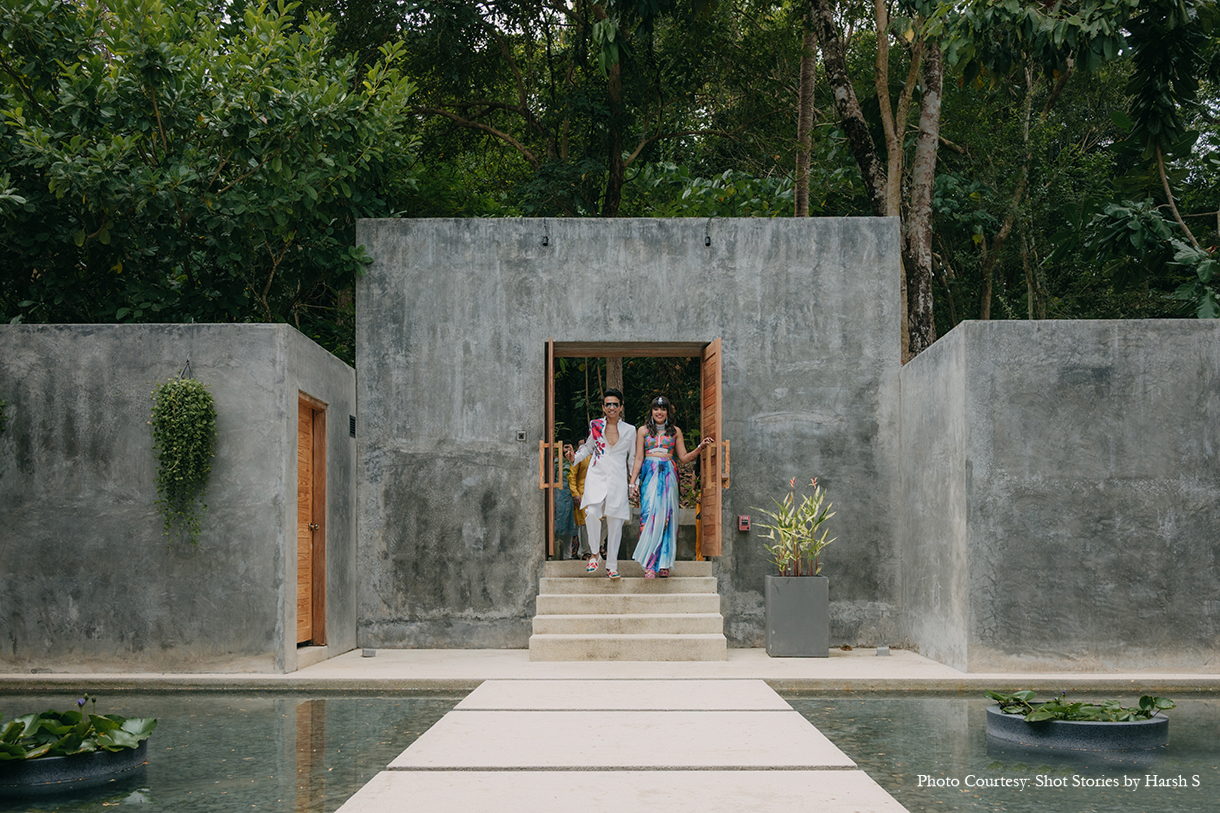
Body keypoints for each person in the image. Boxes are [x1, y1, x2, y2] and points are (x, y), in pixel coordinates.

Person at [628, 395, 711, 578]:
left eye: (663, 409)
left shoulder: (675, 431)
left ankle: (664, 563)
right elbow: (638, 459)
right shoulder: (642, 431)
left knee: (667, 518)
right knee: (649, 515)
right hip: (649, 476)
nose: (659, 412)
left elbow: (683, 458)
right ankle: (649, 564)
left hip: (669, 476)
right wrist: (632, 482)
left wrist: (699, 448)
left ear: (668, 412)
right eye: (656, 409)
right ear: (651, 411)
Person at [565, 389, 636, 580]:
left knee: (615, 523)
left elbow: (633, 459)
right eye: (608, 404)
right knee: (591, 513)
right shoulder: (595, 425)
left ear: (621, 406)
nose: (611, 407)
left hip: (618, 480)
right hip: (596, 477)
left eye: (615, 404)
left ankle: (612, 566)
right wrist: (574, 458)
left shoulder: (630, 430)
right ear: (603, 407)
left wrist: (633, 483)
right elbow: (588, 448)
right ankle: (595, 554)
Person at [568, 437, 591, 559]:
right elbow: (572, 476)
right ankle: (584, 551)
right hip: (582, 493)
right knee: (584, 524)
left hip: (598, 493)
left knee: (603, 520)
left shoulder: (600, 455)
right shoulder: (580, 456)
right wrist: (575, 493)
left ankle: (598, 548)